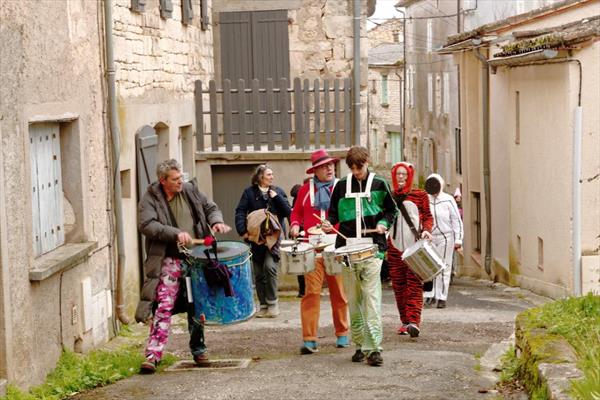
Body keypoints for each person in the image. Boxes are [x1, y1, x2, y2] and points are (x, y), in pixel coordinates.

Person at [136, 159, 231, 373]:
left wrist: (215, 220)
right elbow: (146, 224)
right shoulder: (149, 199)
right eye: (175, 179)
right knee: (163, 306)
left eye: (181, 177)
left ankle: (199, 350)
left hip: (196, 258)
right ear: (163, 181)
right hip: (170, 259)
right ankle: (153, 355)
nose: (180, 182)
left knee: (196, 306)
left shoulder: (189, 189)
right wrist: (175, 233)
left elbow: (210, 207)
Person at [323, 146, 396, 367]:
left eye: (360, 167)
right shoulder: (341, 186)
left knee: (372, 299)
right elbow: (333, 214)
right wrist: (328, 224)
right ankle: (359, 345)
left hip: (374, 249)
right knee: (353, 301)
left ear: (367, 162)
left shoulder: (380, 184)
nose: (357, 172)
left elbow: (392, 210)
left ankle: (374, 348)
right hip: (347, 250)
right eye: (353, 168)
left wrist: (383, 224)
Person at [289, 149, 349, 354]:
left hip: (335, 246)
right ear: (316, 170)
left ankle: (343, 333)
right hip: (311, 247)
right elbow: (296, 212)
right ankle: (309, 339)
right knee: (311, 293)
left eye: (331, 164)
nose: (330, 168)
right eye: (325, 166)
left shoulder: (341, 187)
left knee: (339, 293)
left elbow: (348, 213)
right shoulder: (306, 190)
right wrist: (295, 224)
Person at [235, 164, 291, 318]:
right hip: (256, 238)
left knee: (270, 267)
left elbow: (287, 211)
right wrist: (242, 230)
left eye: (272, 174)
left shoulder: (277, 191)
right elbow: (240, 211)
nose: (272, 177)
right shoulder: (249, 193)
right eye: (269, 175)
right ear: (260, 177)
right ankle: (264, 305)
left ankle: (273, 303)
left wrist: (276, 198)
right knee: (258, 272)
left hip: (274, 238)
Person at [386, 162, 433, 338]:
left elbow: (428, 216)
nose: (400, 177)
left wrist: (427, 230)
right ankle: (405, 321)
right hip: (394, 246)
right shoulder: (388, 196)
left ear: (409, 176)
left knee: (414, 284)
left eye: (404, 174)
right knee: (399, 285)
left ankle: (414, 321)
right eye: (398, 174)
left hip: (414, 247)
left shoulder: (420, 195)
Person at [423, 174, 463, 308]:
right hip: (430, 237)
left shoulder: (448, 199)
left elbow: (456, 220)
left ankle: (442, 297)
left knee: (444, 266)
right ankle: (429, 295)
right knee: (429, 267)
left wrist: (458, 239)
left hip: (446, 237)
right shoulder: (425, 199)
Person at [290, 183, 306, 298]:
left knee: (300, 263)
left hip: (299, 234)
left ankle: (302, 290)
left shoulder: (295, 200)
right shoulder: (301, 197)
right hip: (302, 233)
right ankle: (303, 289)